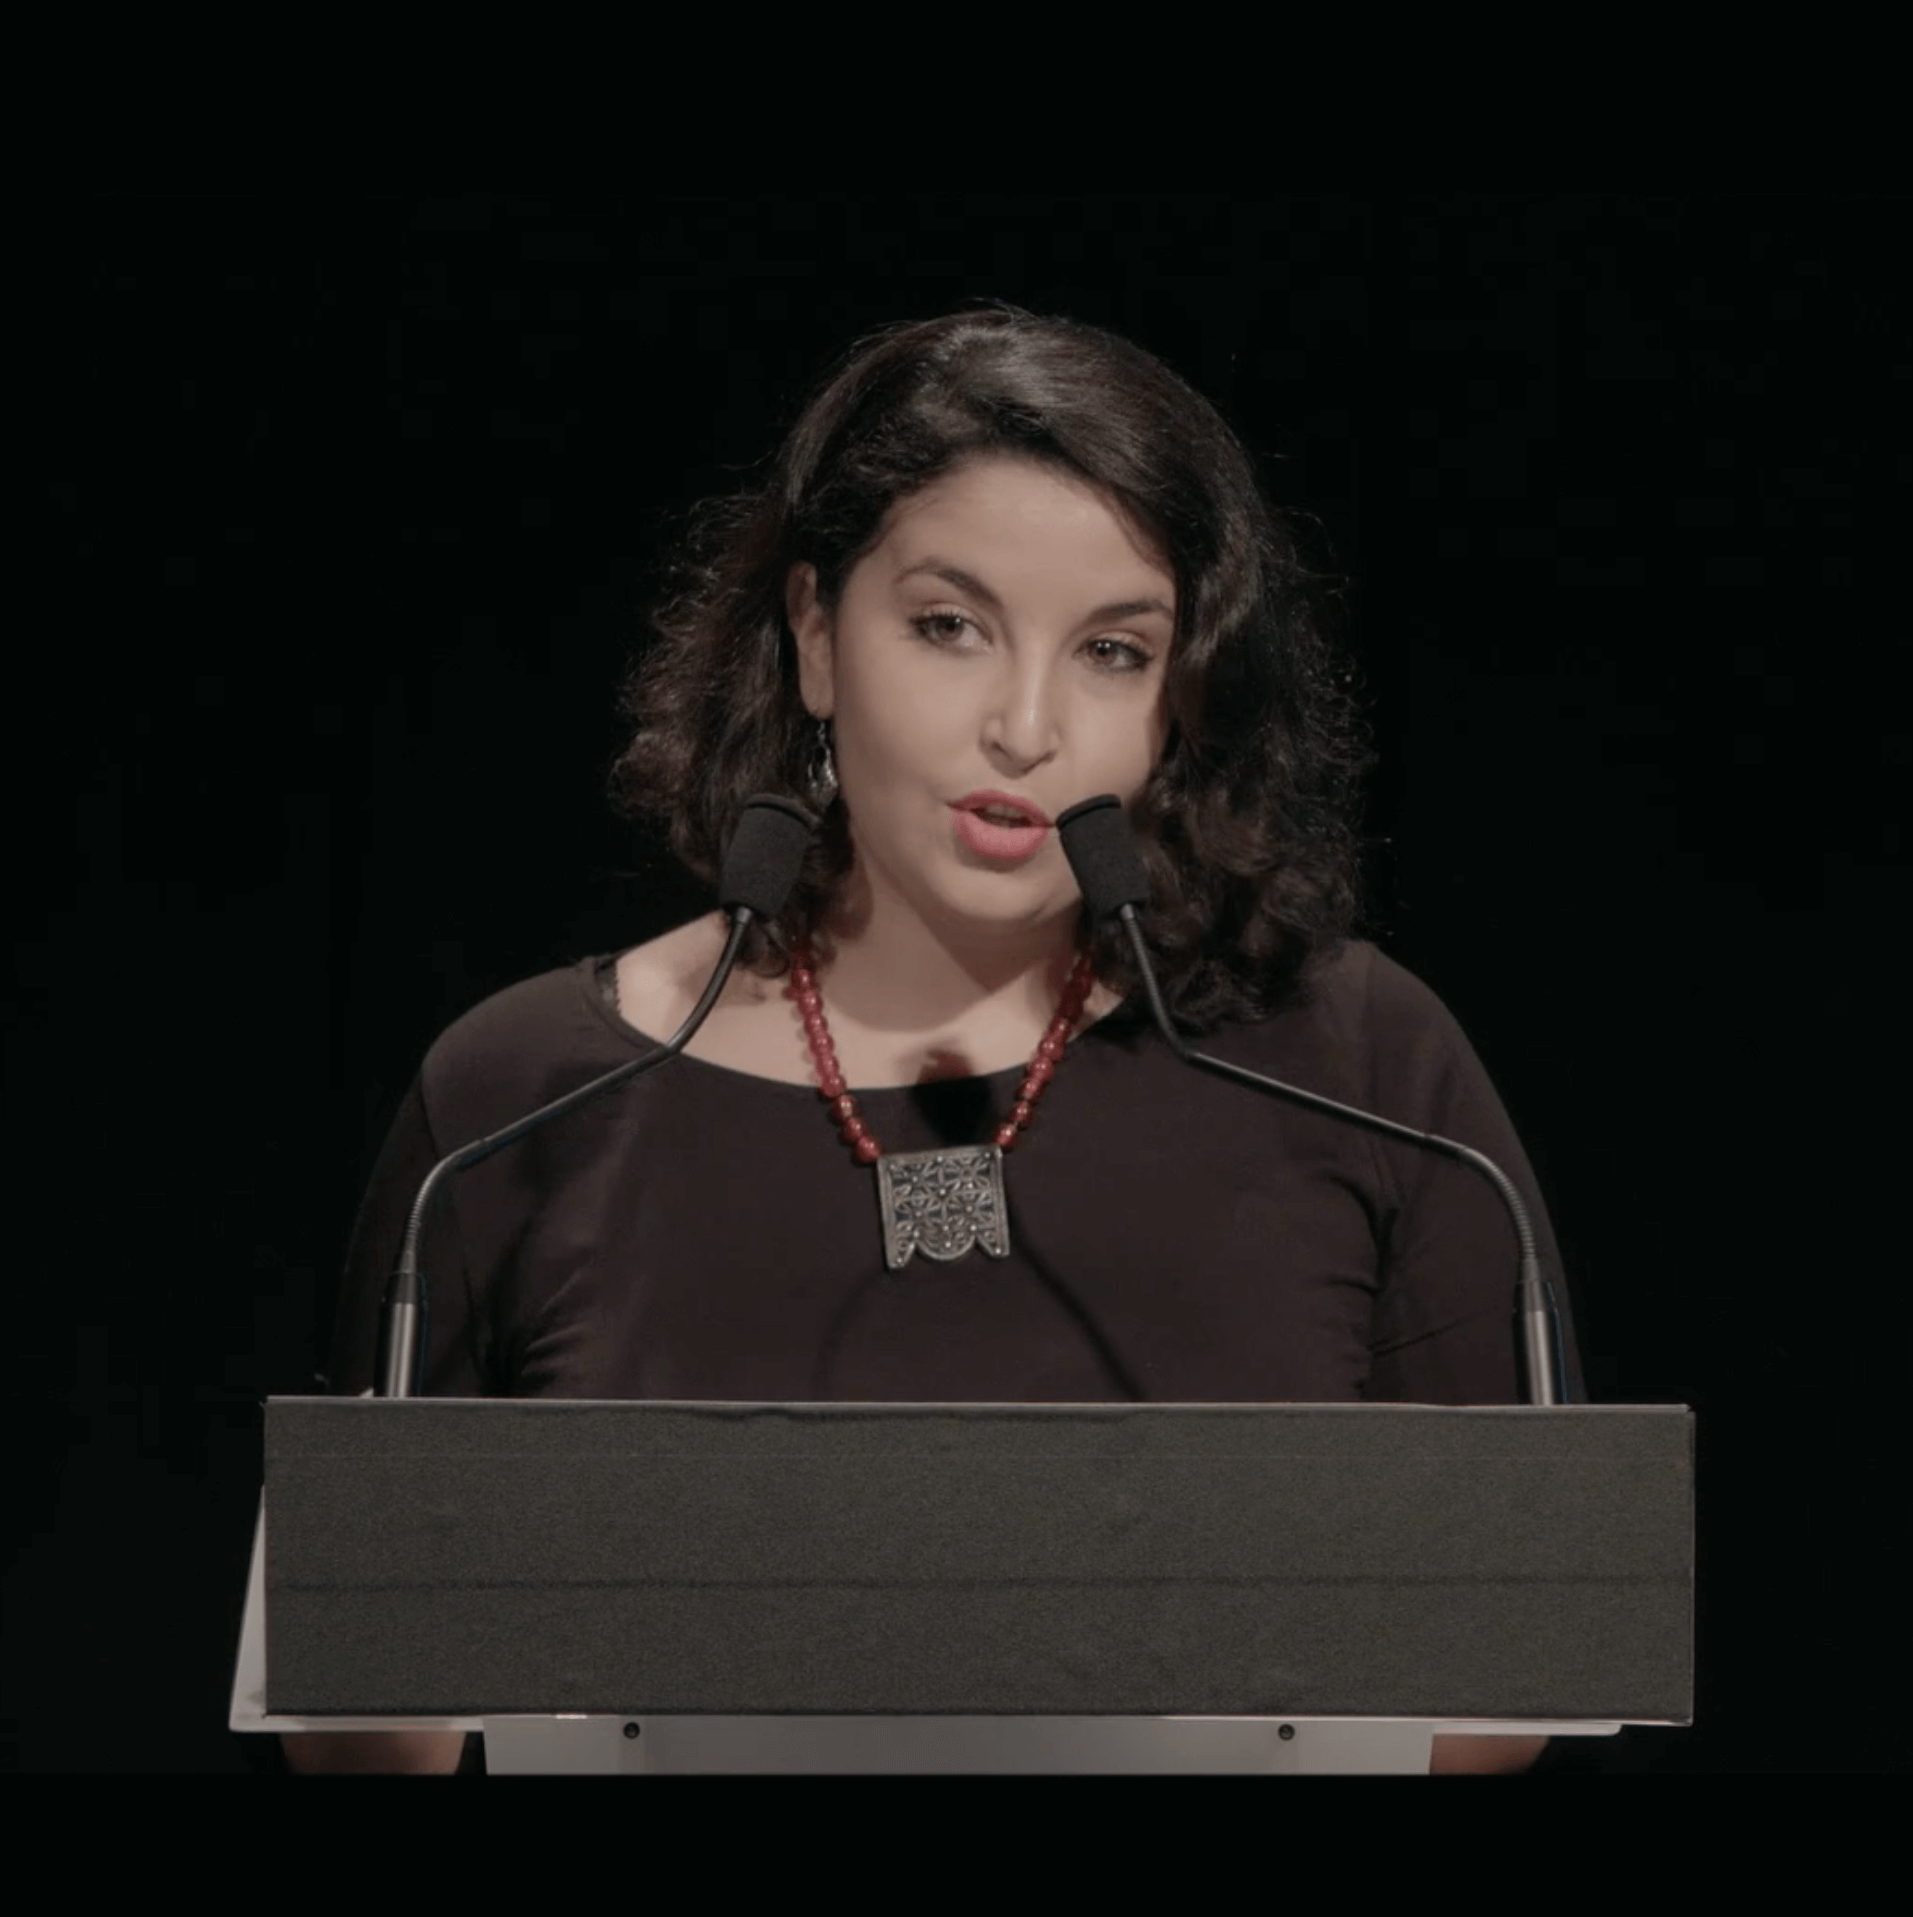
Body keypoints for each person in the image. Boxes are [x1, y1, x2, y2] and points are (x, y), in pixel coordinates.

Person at [286, 308, 1578, 1774]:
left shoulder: (1365, 1065)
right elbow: (359, 1733)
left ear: (1184, 699)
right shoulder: (524, 1099)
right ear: (816, 636)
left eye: (1112, 650)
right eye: (949, 625)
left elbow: (1501, 1697)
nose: (1024, 726)